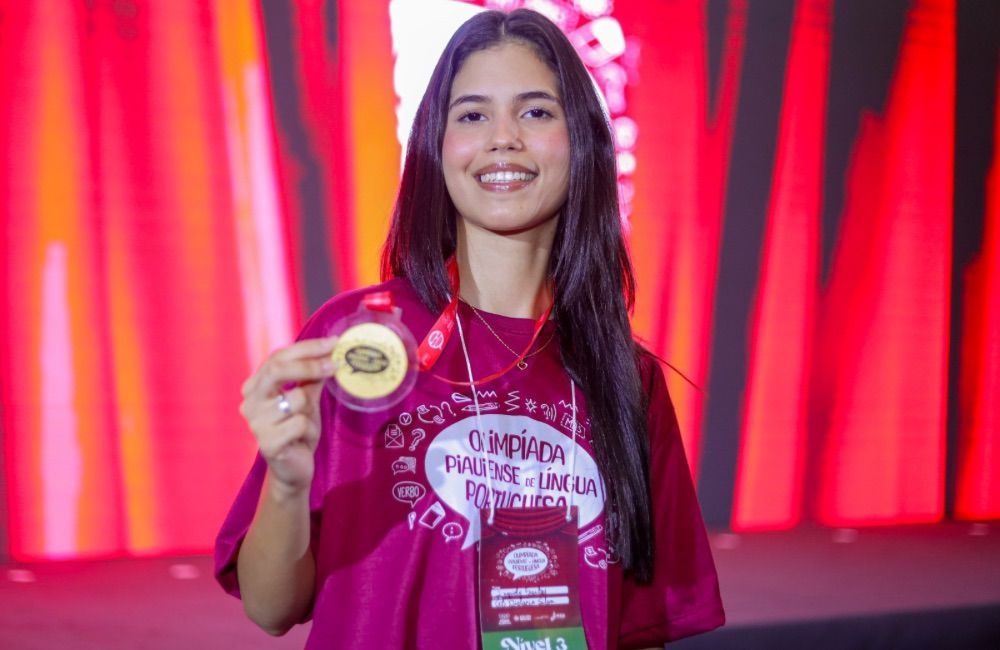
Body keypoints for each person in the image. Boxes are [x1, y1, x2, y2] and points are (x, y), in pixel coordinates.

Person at [215, 8, 724, 649]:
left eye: (535, 111)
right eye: (473, 115)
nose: (503, 138)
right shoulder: (364, 340)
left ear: (583, 142)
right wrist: (287, 485)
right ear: (436, 146)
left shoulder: (626, 377)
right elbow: (270, 609)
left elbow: (642, 630)